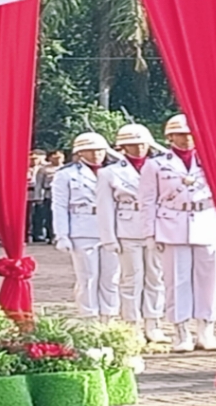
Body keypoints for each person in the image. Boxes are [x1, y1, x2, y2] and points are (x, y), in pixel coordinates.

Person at [138, 114, 216, 352]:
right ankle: (181, 331)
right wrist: (149, 233)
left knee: (208, 280)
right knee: (177, 280)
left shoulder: (210, 160)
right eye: (181, 135)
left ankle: (206, 330)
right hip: (172, 223)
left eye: (190, 134)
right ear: (170, 137)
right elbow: (147, 201)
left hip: (206, 221)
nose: (187, 139)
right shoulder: (156, 164)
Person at [96, 124, 168, 343]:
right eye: (132, 145)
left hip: (156, 227)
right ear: (122, 147)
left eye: (142, 144)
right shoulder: (109, 172)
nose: (138, 149)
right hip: (127, 227)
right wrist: (109, 237)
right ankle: (131, 324)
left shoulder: (161, 167)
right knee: (131, 278)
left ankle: (153, 323)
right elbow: (105, 206)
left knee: (156, 277)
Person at [52, 133, 119, 322]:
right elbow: (60, 206)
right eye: (90, 150)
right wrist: (62, 235)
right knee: (88, 277)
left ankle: (110, 317)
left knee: (111, 277)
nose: (96, 154)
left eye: (99, 150)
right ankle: (89, 318)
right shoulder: (66, 174)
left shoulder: (114, 171)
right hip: (83, 227)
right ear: (79, 152)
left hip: (111, 228)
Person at [37, 150, 65, 243]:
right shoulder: (44, 169)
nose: (58, 159)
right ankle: (50, 235)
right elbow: (39, 184)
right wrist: (38, 197)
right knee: (49, 216)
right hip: (49, 194)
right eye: (55, 157)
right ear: (50, 158)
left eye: (60, 157)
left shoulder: (65, 169)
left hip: (63, 195)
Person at [26, 150, 47, 242]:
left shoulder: (42, 168)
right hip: (26, 194)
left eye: (35, 158)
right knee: (27, 217)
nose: (33, 161)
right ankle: (25, 234)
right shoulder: (23, 168)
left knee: (39, 216)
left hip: (38, 193)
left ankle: (38, 234)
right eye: (31, 159)